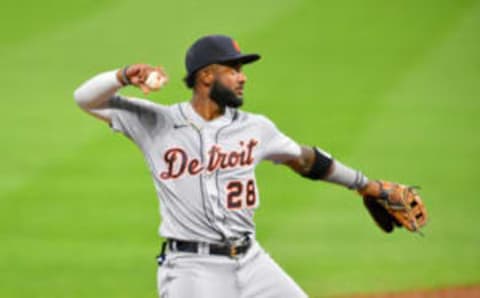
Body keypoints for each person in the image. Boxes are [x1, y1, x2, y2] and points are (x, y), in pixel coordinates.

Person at [73, 34, 418, 298]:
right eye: (234, 69)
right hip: (192, 269)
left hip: (252, 260)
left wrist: (365, 185)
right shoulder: (156, 123)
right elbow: (85, 99)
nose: (243, 78)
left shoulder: (257, 127)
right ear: (206, 76)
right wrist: (122, 76)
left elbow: (305, 160)